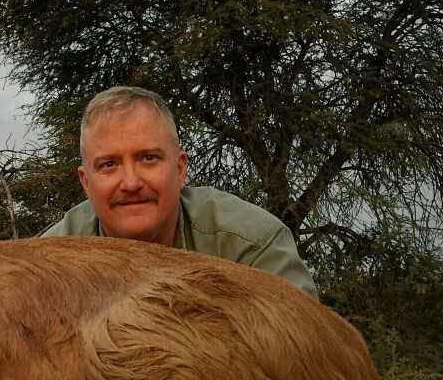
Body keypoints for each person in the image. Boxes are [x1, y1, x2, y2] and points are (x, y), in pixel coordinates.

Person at [41, 86, 318, 299]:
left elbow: (306, 353)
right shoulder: (46, 264)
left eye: (148, 158)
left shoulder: (252, 245)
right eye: (109, 164)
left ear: (180, 168)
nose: (131, 183)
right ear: (86, 182)